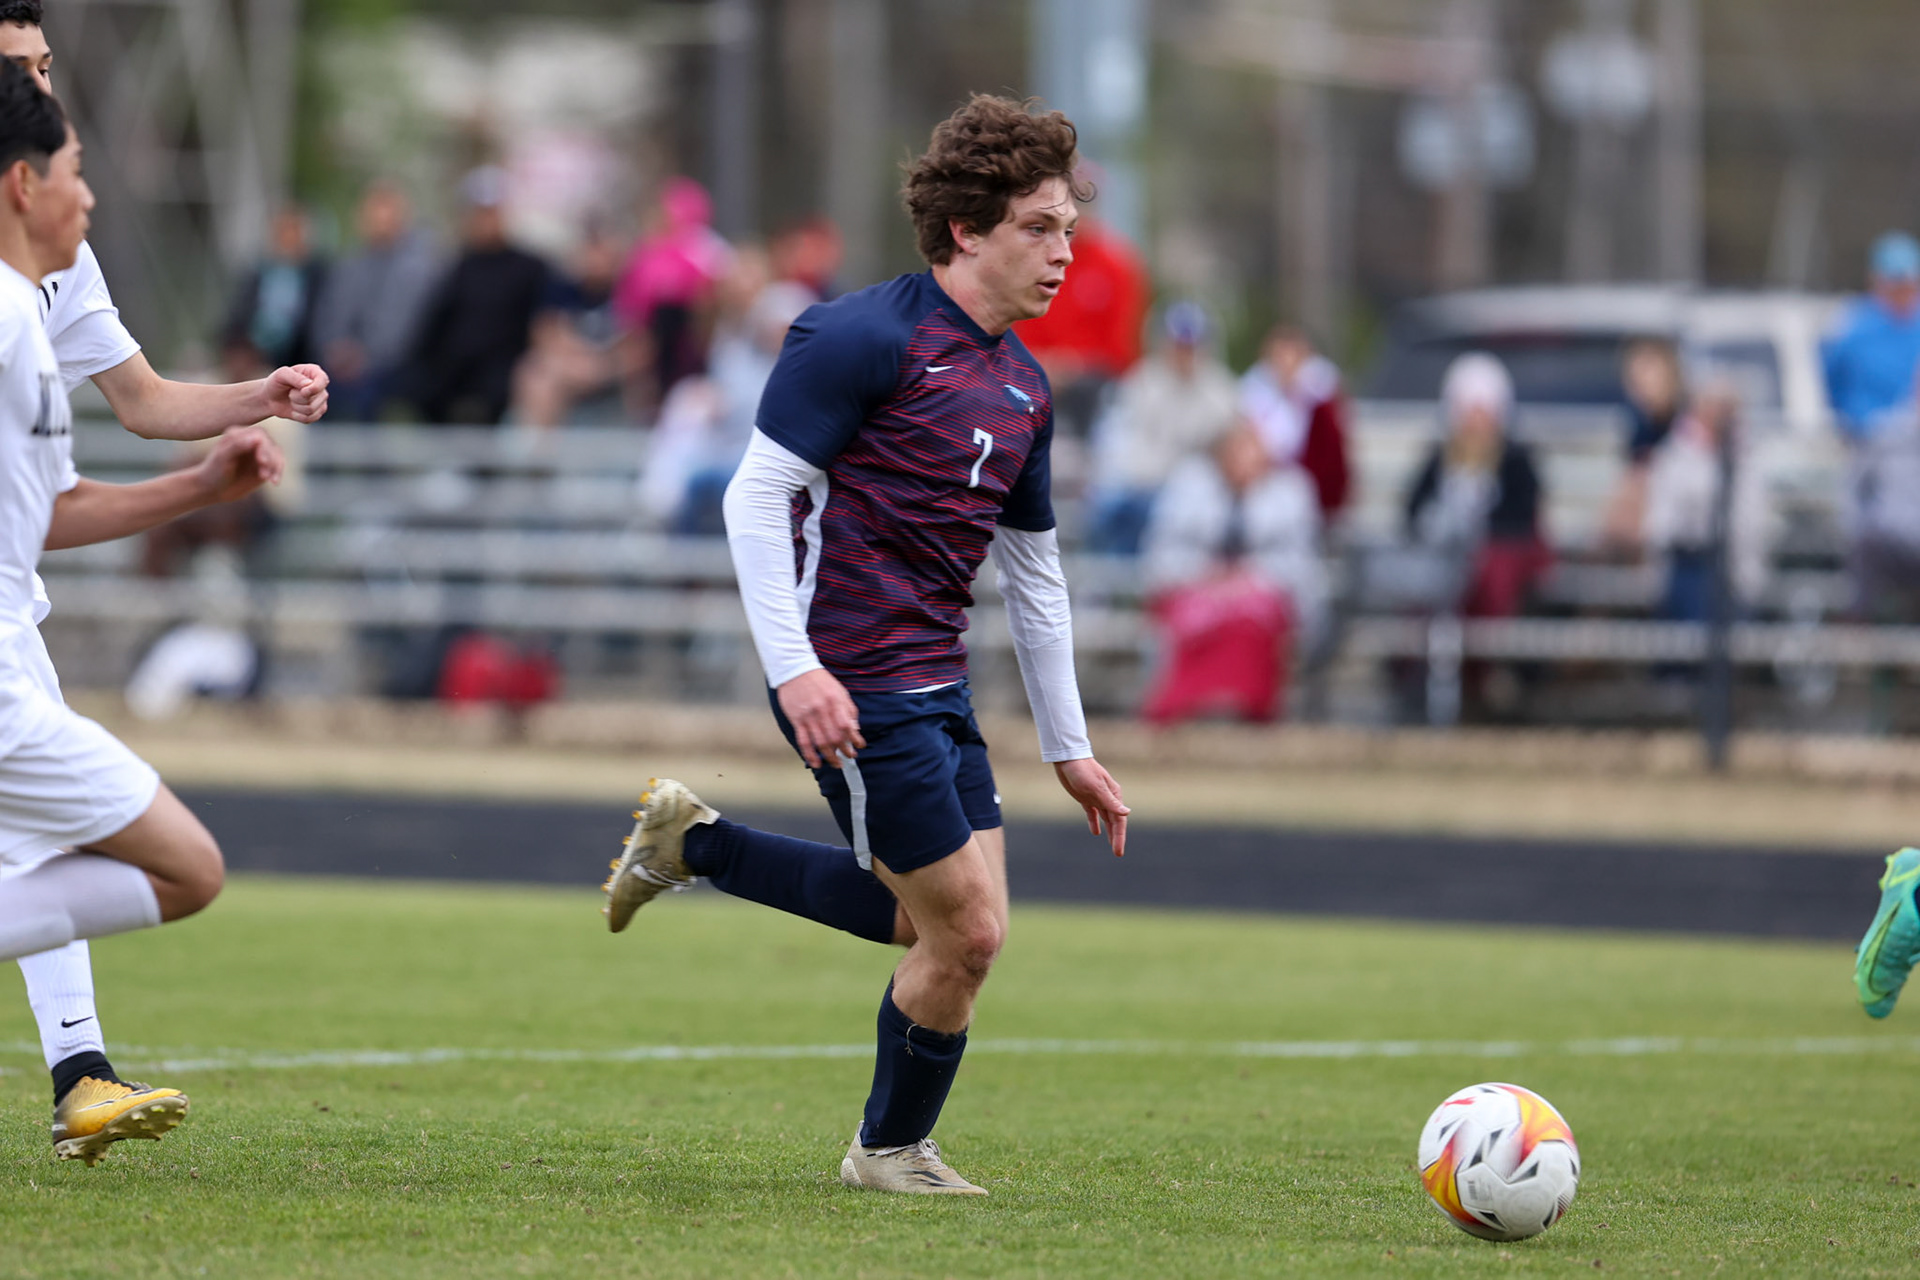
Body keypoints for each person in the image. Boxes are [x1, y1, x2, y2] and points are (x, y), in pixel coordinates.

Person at [600, 94, 1129, 1196]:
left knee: (931, 921)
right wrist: (797, 670)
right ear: (968, 230)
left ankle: (693, 844)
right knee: (968, 933)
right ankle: (889, 1151)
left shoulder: (1025, 385)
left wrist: (1069, 745)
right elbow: (755, 499)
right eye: (1040, 225)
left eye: (1069, 225)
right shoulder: (859, 336)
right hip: (851, 676)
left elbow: (1034, 579)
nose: (1064, 248)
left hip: (937, 688)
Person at [0, 3, 330, 1164]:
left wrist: (252, 400)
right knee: (175, 862)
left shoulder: (42, 266)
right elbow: (56, 510)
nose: (51, 95)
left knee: (39, 843)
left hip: (12, 607)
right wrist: (205, 489)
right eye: (25, 74)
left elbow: (136, 399)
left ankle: (80, 1070)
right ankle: (79, 1070)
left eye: (51, 67)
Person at [1138, 419, 1326, 725]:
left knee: (1250, 623)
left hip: (1264, 592)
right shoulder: (1188, 487)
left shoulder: (1291, 492)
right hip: (1195, 587)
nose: (1245, 460)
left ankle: (1248, 707)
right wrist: (1205, 574)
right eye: (1237, 451)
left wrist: (1248, 577)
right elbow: (1162, 553)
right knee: (1193, 622)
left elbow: (1300, 563)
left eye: (1252, 451)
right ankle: (1186, 706)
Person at [1404, 352, 1550, 622]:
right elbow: (1413, 510)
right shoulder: (1440, 458)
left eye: (1482, 413)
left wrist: (1476, 535)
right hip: (1444, 560)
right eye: (1468, 412)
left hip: (1489, 565)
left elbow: (1521, 519)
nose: (1475, 423)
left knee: (1486, 574)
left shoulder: (1515, 460)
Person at [1085, 301, 1238, 556]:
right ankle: (1102, 589)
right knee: (1108, 508)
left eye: (1191, 345)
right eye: (1179, 344)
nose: (1184, 352)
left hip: (1195, 494)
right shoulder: (1142, 381)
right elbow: (1116, 442)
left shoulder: (1222, 391)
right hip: (1139, 484)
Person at [401, 166, 552, 425]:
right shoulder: (457, 266)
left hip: (506, 366)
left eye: (492, 212)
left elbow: (543, 322)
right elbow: (434, 323)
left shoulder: (531, 267)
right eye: (480, 213)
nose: (486, 220)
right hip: (456, 368)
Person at [1012, 190, 1147, 441]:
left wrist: (1075, 365)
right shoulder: (1036, 263)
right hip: (1040, 371)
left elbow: (1122, 347)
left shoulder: (1116, 265)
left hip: (1093, 382)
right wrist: (1046, 364)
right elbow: (1023, 326)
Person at [312, 179, 441, 422]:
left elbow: (406, 329)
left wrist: (366, 357)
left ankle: (370, 461)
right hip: (342, 365)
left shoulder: (418, 269)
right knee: (311, 391)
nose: (380, 220)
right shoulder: (349, 265)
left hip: (395, 368)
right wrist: (336, 349)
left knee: (367, 396)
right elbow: (329, 316)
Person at [612, 176, 732, 413]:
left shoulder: (706, 246)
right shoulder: (646, 250)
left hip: (691, 339)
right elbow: (629, 301)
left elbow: (715, 298)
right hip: (651, 339)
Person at [1237, 324, 1351, 525]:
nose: (1286, 364)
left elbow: (1330, 449)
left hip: (1309, 479)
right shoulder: (1254, 389)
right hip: (1264, 476)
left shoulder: (1322, 394)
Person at [1824, 232, 1920, 444]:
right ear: (1877, 281)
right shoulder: (1855, 326)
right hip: (1866, 441)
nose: (1903, 293)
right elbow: (1833, 379)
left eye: (1909, 285)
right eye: (1896, 286)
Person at [219, 204, 328, 382]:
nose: (288, 237)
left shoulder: (316, 275)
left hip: (295, 351)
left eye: (293, 230)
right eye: (283, 230)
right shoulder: (258, 272)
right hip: (252, 349)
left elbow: (316, 321)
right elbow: (238, 313)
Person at [1599, 338, 1686, 553]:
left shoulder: (1684, 422)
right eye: (1633, 378)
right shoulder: (1640, 424)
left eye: (1647, 373)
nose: (1639, 385)